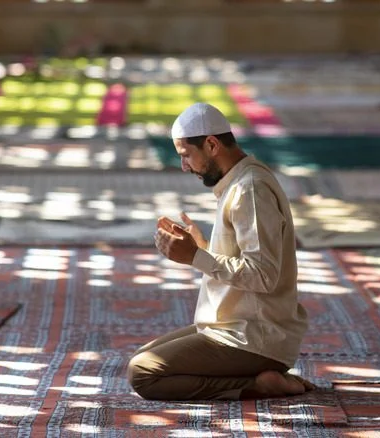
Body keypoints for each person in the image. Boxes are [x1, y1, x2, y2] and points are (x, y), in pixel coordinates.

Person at [127, 102, 313, 400]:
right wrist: (201, 246)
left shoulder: (250, 189)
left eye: (186, 155)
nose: (184, 166)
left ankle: (257, 384)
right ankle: (261, 377)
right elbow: (244, 259)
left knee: (143, 373)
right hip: (238, 325)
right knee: (144, 355)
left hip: (255, 336)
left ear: (212, 144)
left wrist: (195, 257)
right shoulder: (239, 181)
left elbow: (263, 275)